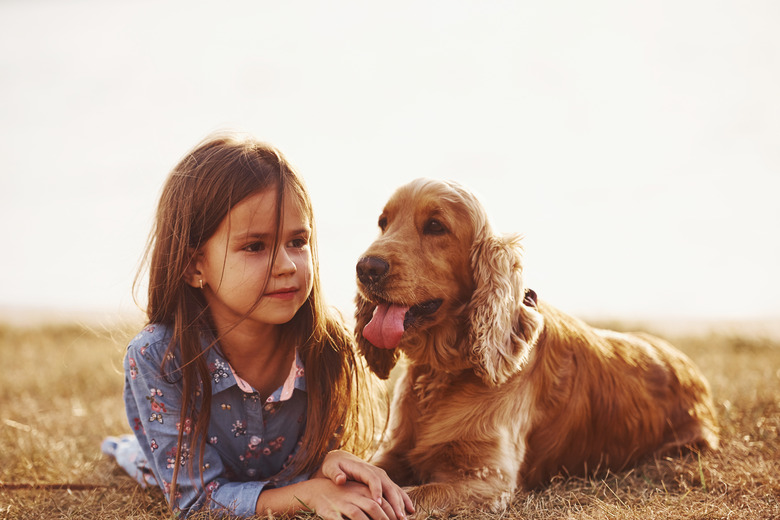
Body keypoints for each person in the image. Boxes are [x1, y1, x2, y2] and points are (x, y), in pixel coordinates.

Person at [104, 132, 414, 519]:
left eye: (297, 242)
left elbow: (301, 471)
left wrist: (329, 464)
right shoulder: (158, 358)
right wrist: (307, 496)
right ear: (194, 266)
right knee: (132, 454)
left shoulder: (326, 347)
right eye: (255, 246)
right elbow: (195, 502)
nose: (286, 265)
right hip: (159, 464)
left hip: (275, 475)